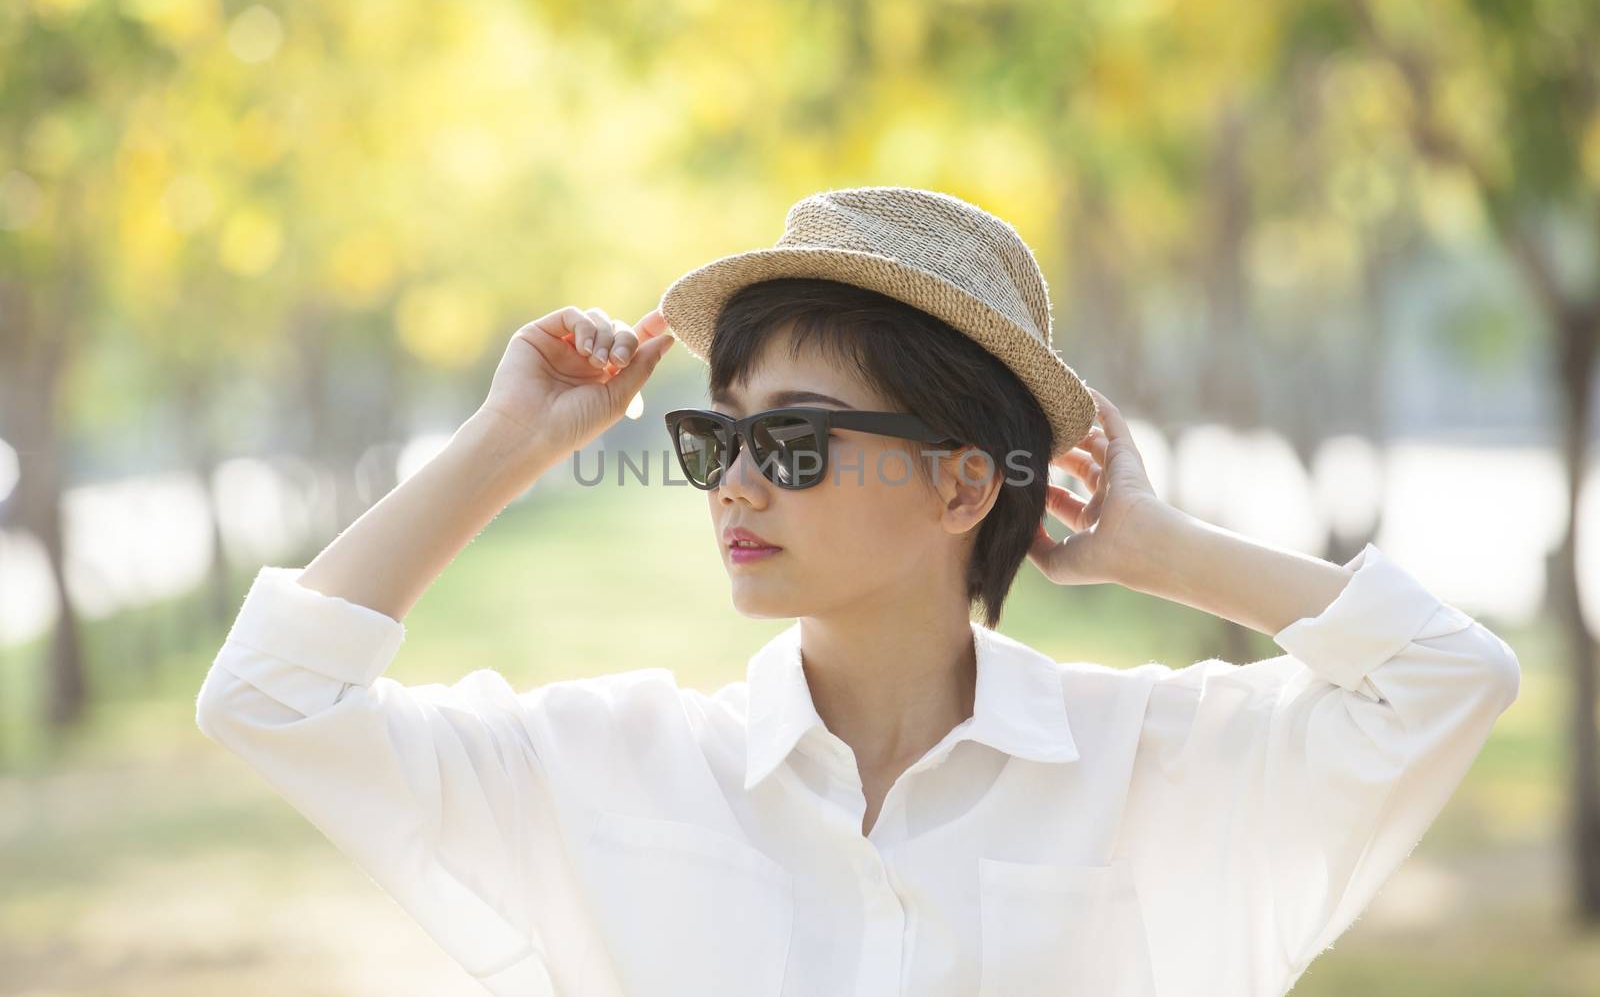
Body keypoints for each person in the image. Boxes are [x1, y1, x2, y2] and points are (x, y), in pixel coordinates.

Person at [195, 186, 1521, 997]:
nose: (735, 485)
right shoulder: (621, 770)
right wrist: (508, 445)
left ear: (961, 488)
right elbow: (271, 699)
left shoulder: (1150, 766)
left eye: (799, 439)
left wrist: (1153, 545)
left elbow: (1447, 680)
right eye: (719, 436)